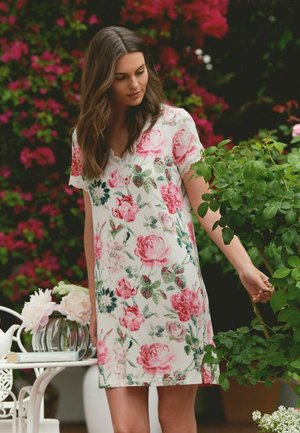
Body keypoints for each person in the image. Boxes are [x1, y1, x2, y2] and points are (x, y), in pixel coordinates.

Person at [69, 26, 274, 433]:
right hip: (116, 301)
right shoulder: (85, 138)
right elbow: (93, 225)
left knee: (174, 420)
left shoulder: (174, 124)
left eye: (140, 72)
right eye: (122, 77)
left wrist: (244, 266)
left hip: (173, 291)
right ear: (101, 80)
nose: (134, 84)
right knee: (127, 427)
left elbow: (204, 204)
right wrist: (95, 303)